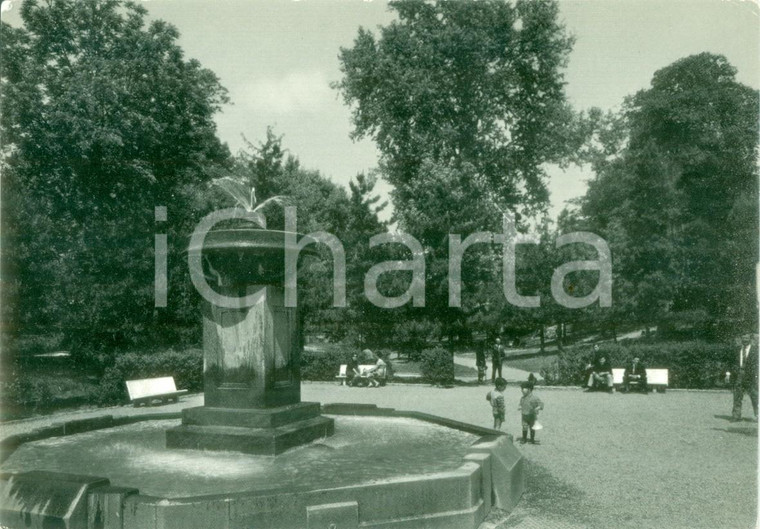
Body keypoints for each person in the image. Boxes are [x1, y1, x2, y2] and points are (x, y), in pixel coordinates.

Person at [731, 334, 758, 422]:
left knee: (755, 396)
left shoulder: (756, 350)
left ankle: (758, 415)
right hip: (739, 376)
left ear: (750, 339)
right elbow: (733, 362)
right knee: (737, 396)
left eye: (746, 338)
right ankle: (736, 416)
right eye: (743, 338)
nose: (744, 340)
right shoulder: (737, 349)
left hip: (751, 376)